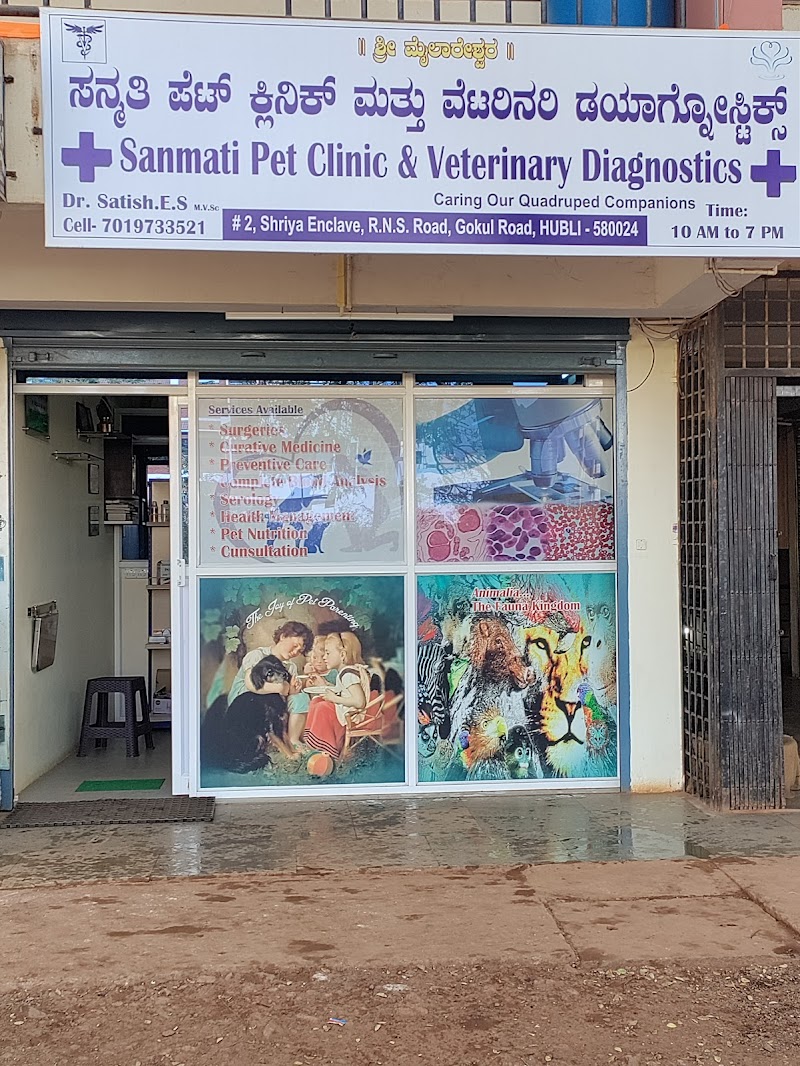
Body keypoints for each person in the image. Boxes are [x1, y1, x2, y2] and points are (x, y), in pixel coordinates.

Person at [227, 620, 314, 753]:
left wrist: (292, 691)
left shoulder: (291, 667)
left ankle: (294, 739)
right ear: (283, 636)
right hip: (247, 704)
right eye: (295, 645)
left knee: (300, 697)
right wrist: (280, 688)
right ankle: (267, 740)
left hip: (271, 706)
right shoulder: (257, 655)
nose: (296, 652)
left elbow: (285, 695)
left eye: (300, 650)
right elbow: (251, 684)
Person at [302, 631, 371, 762]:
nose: (324, 657)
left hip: (351, 715)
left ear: (342, 655)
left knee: (322, 707)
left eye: (328, 653)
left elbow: (359, 702)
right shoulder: (345, 672)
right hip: (345, 710)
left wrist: (334, 698)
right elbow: (344, 690)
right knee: (316, 701)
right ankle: (313, 743)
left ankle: (327, 749)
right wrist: (326, 686)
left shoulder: (348, 674)